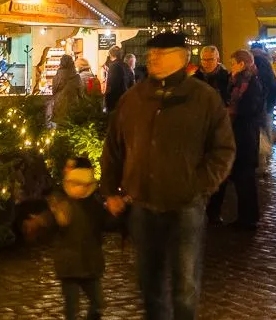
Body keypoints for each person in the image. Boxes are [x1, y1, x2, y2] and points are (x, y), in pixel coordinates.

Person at [100, 32, 234, 320]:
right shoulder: (133, 99)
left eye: (163, 53)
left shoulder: (203, 98)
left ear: (183, 57)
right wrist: (111, 189)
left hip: (184, 205)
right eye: (152, 53)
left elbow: (223, 149)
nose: (154, 58)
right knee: (149, 284)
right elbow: (113, 147)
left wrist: (199, 185)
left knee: (184, 285)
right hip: (142, 204)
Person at [23, 156, 121, 320]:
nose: (65, 171)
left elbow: (106, 223)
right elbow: (52, 217)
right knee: (72, 308)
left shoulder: (94, 203)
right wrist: (38, 222)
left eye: (70, 168)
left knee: (97, 303)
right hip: (69, 265)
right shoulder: (61, 200)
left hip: (90, 263)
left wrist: (116, 214)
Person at [212, 50, 265, 228]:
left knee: (245, 180)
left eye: (234, 63)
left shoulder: (251, 83)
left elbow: (251, 108)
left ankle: (248, 218)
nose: (231, 66)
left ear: (242, 64)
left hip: (245, 136)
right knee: (233, 177)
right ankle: (220, 214)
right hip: (234, 135)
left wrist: (231, 112)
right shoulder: (233, 82)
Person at [249, 44, 276, 160]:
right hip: (266, 106)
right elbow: (275, 89)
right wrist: (270, 104)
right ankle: (266, 157)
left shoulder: (253, 66)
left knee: (257, 133)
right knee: (266, 131)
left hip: (257, 107)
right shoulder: (267, 65)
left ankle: (261, 158)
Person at [50, 55, 83, 124]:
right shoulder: (76, 77)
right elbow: (80, 94)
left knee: (60, 129)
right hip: (73, 107)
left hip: (59, 107)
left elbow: (53, 92)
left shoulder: (57, 77)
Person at [103, 47, 133, 113]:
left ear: (110, 55)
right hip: (126, 99)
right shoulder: (126, 66)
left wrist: (107, 101)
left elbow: (111, 85)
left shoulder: (113, 66)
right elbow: (132, 83)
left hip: (116, 100)